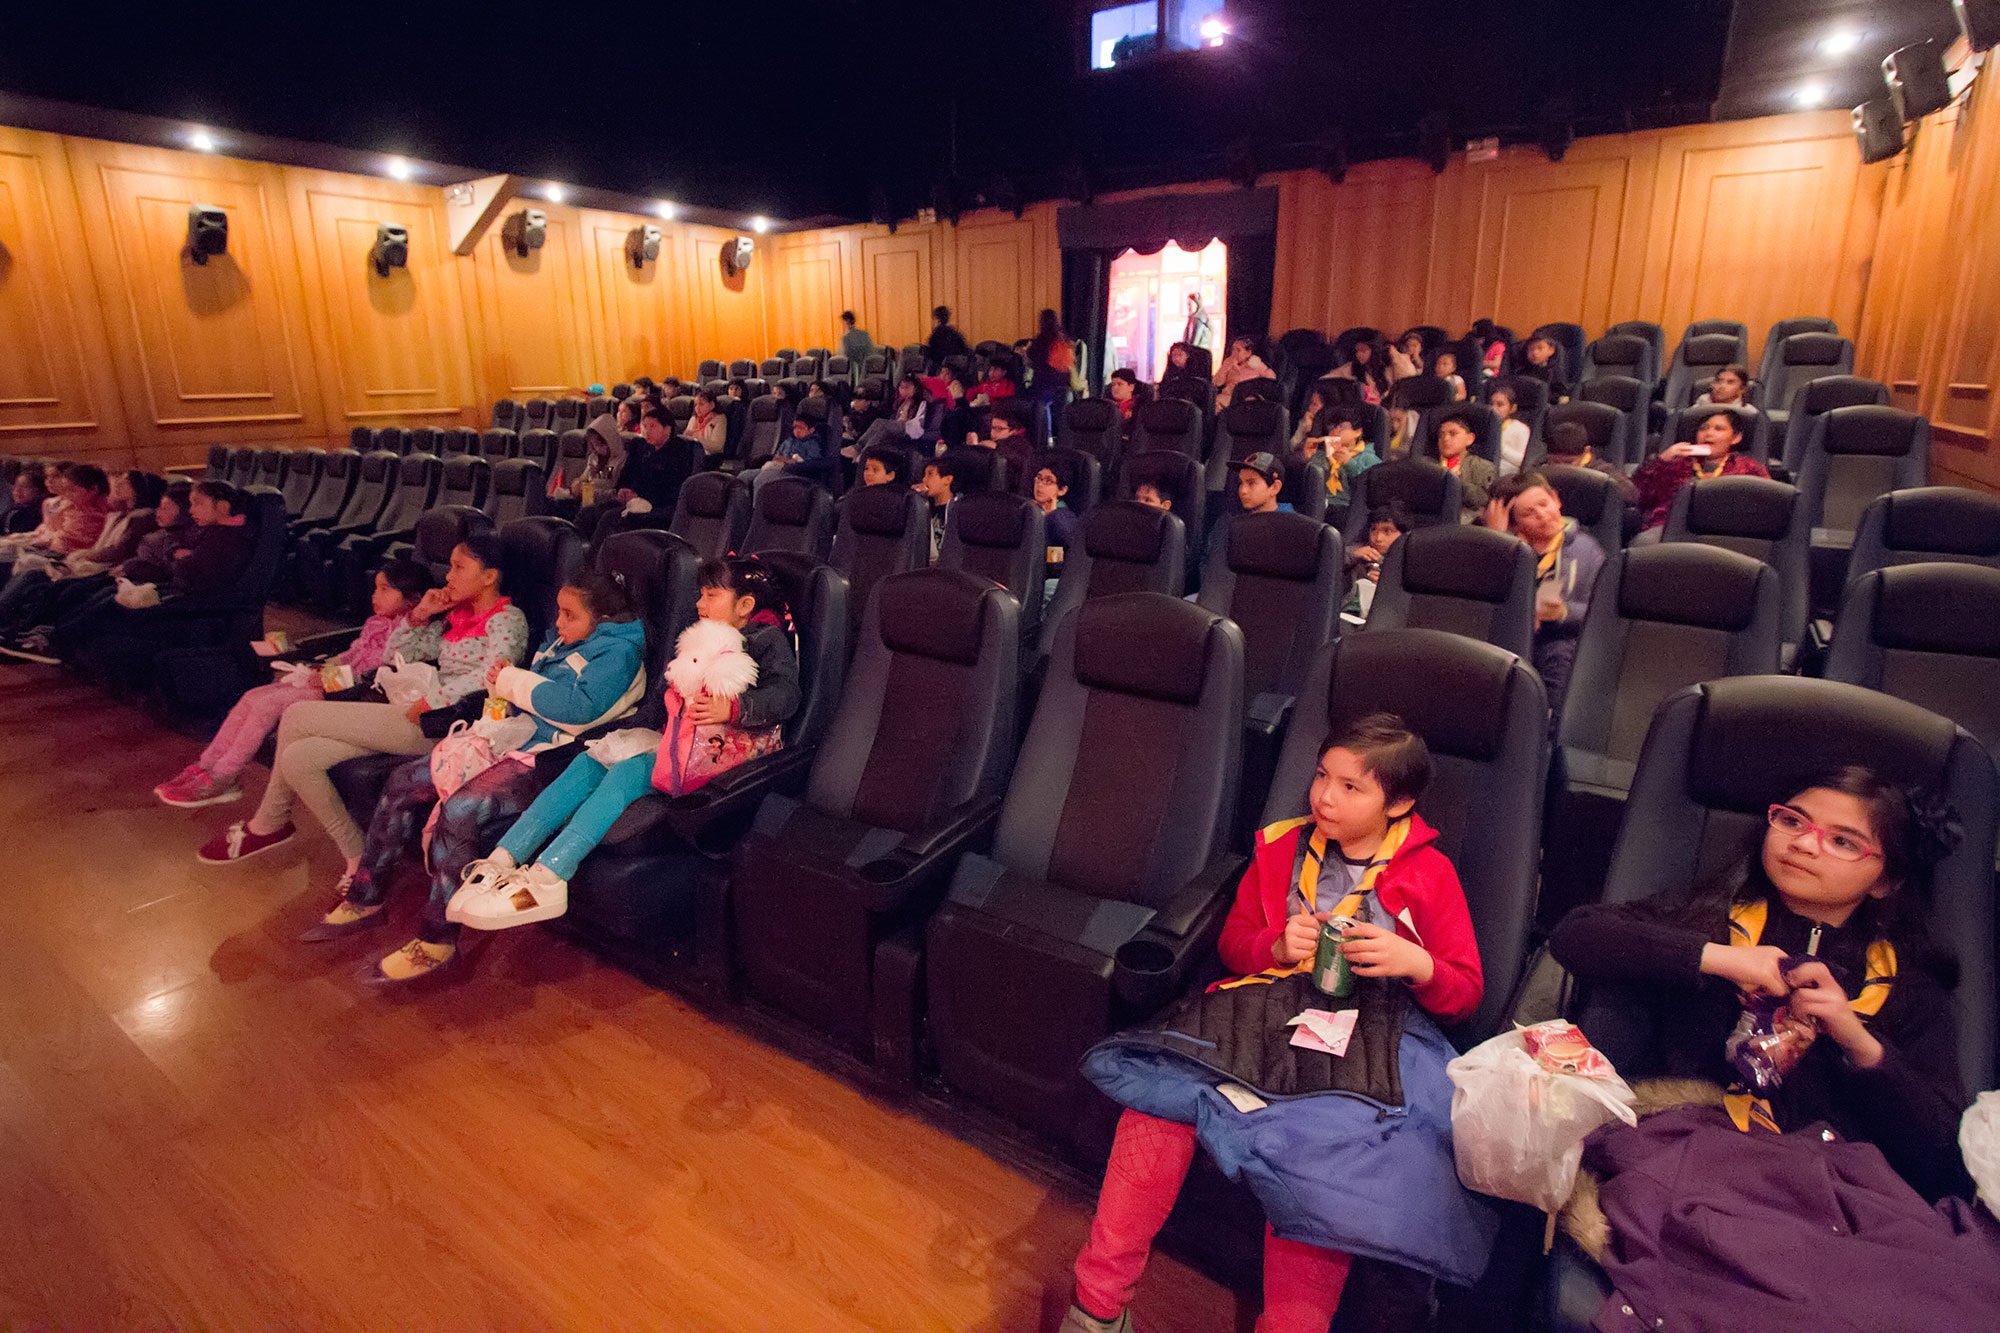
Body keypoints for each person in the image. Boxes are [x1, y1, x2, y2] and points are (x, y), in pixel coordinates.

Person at [1063, 716, 1485, 1333]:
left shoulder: (1430, 874)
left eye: (1350, 787)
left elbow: (1465, 991)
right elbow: (1235, 946)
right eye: (1321, 776)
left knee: (1323, 1164)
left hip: (1370, 1036)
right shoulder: (1283, 847)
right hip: (1264, 1011)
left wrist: (1416, 962)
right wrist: (1277, 947)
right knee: (1158, 1103)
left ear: (1398, 804)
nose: (1324, 797)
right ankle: (1097, 1306)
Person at [1548, 766, 1971, 1203]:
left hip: (1833, 1192)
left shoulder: (1911, 987)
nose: (1803, 844)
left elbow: (1947, 1160)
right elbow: (1576, 935)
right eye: (1792, 821)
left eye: (1843, 841)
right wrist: (1720, 959)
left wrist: (1858, 1041)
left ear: (1886, 881)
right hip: (1691, 1162)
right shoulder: (1710, 918)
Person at [313, 569, 649, 985]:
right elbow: (537, 692)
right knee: (402, 782)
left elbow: (576, 708)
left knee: (462, 809)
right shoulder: (568, 640)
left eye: (568, 615)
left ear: (601, 620)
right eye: (559, 614)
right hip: (513, 737)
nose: (558, 624)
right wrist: (507, 688)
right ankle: (365, 896)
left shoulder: (618, 654)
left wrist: (512, 680)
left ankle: (437, 941)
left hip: (552, 759)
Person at [446, 559, 799, 934]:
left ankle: (551, 873)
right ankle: (503, 857)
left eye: (711, 595)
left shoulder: (765, 640)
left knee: (629, 772)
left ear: (744, 605)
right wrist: (624, 734)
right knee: (589, 762)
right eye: (699, 594)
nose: (699, 603)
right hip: (680, 740)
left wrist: (734, 706)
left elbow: (786, 695)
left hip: (724, 749)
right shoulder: (701, 637)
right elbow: (663, 702)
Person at [196, 532, 529, 871]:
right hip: (411, 708)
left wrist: (433, 699)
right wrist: (420, 616)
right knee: (299, 758)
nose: (448, 576)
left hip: (446, 723)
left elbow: (493, 677)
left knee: (297, 714)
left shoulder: (508, 620)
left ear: (489, 577)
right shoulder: (456, 617)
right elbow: (395, 656)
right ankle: (358, 861)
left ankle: (268, 825)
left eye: (459, 568)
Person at [154, 560, 439, 810]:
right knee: (253, 696)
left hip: (353, 695)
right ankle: (207, 764)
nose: (375, 595)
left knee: (268, 704)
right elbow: (352, 654)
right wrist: (322, 666)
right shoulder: (376, 622)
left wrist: (327, 677)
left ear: (413, 600)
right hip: (332, 681)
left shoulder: (417, 634)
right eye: (376, 587)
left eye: (385, 590)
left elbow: (381, 673)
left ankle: (225, 776)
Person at [1483, 473, 1605, 724]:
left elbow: (1601, 615)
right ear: (1513, 524)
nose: (1541, 514)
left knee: (1559, 656)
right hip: (1509, 641)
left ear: (1556, 500)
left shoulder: (1586, 549)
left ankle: (1549, 730)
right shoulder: (1509, 551)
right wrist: (1498, 541)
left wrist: (1562, 612)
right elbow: (1486, 604)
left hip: (1561, 643)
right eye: (1528, 513)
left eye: (1544, 504)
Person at [1631, 408, 1768, 537]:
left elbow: (1765, 508)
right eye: (1703, 429)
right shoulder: (1675, 463)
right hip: (1669, 528)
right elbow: (1640, 496)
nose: (1708, 433)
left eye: (1718, 429)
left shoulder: (1750, 468)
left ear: (1735, 438)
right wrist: (1663, 460)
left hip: (1728, 533)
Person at [1204, 452, 1292, 573]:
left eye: (1251, 483)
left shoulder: (1291, 528)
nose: (1243, 491)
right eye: (1241, 483)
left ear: (1275, 488)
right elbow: (1210, 566)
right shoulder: (1228, 521)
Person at [617, 403, 695, 513]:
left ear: (667, 429)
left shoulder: (679, 451)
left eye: (653, 426)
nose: (647, 431)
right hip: (631, 502)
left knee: (609, 518)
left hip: (657, 509)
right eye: (645, 426)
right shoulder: (641, 447)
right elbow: (626, 475)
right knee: (591, 512)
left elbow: (671, 490)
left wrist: (637, 495)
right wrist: (624, 490)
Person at [1302, 406, 1382, 507]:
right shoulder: (1321, 454)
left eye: (1341, 427)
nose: (1336, 431)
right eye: (1333, 427)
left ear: (1357, 432)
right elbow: (1310, 486)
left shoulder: (1367, 458)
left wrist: (1350, 464)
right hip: (1318, 504)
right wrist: (1307, 459)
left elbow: (1374, 490)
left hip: (1346, 508)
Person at [1542, 420, 1637, 504]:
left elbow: (1633, 495)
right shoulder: (1541, 470)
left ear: (1586, 452)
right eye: (1555, 461)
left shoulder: (1605, 473)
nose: (1561, 467)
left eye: (1568, 462)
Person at [1343, 502, 1409, 617]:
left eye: (1387, 531)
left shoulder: (1411, 560)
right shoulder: (1359, 552)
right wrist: (1352, 556)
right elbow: (1330, 562)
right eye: (1373, 529)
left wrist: (1387, 584)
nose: (1378, 538)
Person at [1434, 410, 1495, 520]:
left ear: (1470, 439)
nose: (1445, 439)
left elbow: (1481, 500)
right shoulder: (1428, 465)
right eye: (1441, 435)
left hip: (1465, 524)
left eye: (1453, 434)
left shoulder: (1483, 467)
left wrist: (1454, 480)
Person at [752, 411, 826, 497]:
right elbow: (778, 455)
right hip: (778, 468)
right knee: (745, 476)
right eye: (795, 427)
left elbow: (813, 463)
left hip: (794, 472)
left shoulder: (812, 444)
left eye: (801, 428)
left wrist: (792, 462)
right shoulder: (788, 441)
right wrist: (777, 458)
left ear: (811, 430)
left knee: (761, 479)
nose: (797, 431)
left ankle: (757, 508)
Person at [1025, 309, 1076, 429]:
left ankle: (1044, 438)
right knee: (1063, 415)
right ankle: (1063, 440)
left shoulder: (1039, 341)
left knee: (1042, 411)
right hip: (1063, 385)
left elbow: (1031, 362)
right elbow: (1069, 364)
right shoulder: (1064, 341)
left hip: (1043, 384)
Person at [915, 454, 963, 561]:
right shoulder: (923, 506)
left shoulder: (957, 508)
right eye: (924, 475)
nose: (924, 479)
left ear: (947, 479)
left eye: (930, 474)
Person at [1031, 459, 1081, 555]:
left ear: (1062, 490)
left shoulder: (1063, 517)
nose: (1040, 484)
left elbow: (1058, 561)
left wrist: (1051, 518)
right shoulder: (1029, 509)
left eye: (1048, 481)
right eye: (1038, 478)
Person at [1214, 336, 1273, 410]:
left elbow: (1271, 383)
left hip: (1246, 402)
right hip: (1227, 396)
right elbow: (1217, 383)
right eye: (1233, 349)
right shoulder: (1229, 362)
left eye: (1238, 350)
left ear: (1248, 353)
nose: (1234, 353)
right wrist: (1225, 367)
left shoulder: (1257, 366)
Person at [1489, 385, 1531, 477]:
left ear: (1512, 408)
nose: (1493, 408)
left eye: (1500, 405)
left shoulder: (1520, 429)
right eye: (1491, 404)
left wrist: (1501, 448)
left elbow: (1523, 461)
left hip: (1509, 476)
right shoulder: (1485, 427)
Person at [1330, 340, 1388, 405]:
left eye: (1363, 351)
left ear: (1374, 351)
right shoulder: (1351, 368)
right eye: (1357, 351)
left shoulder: (1385, 370)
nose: (1359, 354)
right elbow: (1332, 376)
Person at [1693, 362, 1759, 417]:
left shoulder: (1750, 414)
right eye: (1718, 381)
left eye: (1730, 382)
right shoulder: (1695, 410)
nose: (1722, 386)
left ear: (1742, 389)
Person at [1515, 335, 1569, 401]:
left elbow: (1560, 394)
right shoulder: (1522, 371)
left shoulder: (1555, 372)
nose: (1535, 353)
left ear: (1551, 350)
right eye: (1531, 349)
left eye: (1540, 348)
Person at [4, 468, 48, 535]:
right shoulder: (12, 509)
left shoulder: (34, 515)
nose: (17, 490)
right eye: (15, 486)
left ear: (39, 491)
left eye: (25, 487)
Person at [926, 305, 971, 371]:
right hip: (957, 370)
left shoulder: (935, 336)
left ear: (937, 320)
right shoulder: (955, 334)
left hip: (940, 369)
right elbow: (965, 350)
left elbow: (931, 355)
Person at [686, 389, 727, 462]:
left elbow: (717, 447)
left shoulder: (719, 419)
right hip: (692, 454)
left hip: (711, 457)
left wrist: (698, 438)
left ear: (712, 405)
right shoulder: (694, 418)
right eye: (696, 404)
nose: (697, 408)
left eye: (701, 404)